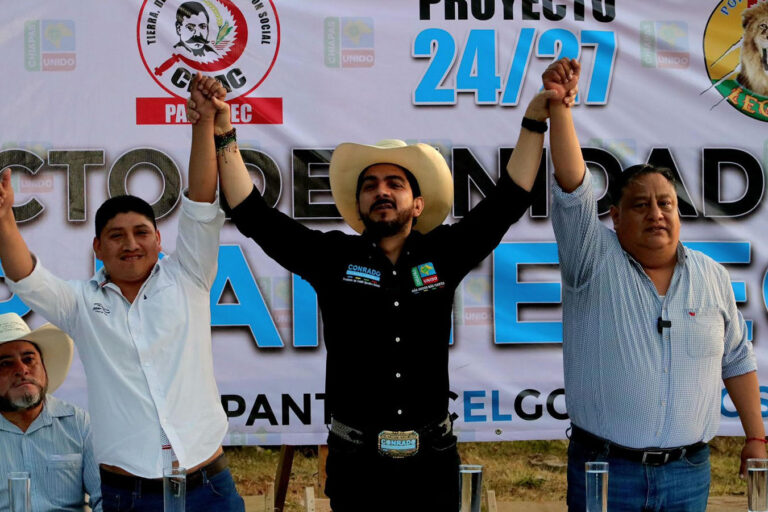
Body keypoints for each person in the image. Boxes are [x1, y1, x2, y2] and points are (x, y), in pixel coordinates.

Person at [186, 77, 573, 511]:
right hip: (357, 467)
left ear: (418, 204)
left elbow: (509, 199)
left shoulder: (445, 253)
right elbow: (251, 213)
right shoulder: (333, 256)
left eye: (395, 183)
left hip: (432, 465)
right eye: (370, 185)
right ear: (360, 205)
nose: (382, 191)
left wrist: (534, 121)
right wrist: (224, 131)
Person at [0, 75, 244, 511]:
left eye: (141, 232)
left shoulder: (189, 274)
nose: (131, 244)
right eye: (116, 236)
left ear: (159, 240)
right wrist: (3, 219)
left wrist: (203, 123)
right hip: (128, 496)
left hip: (208, 488)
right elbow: (26, 277)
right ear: (98, 247)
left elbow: (201, 203)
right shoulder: (80, 304)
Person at [545, 57, 766, 510]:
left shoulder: (712, 275)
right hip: (606, 471)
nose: (656, 213)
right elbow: (572, 187)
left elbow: (736, 359)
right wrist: (559, 108)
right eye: (641, 205)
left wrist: (756, 438)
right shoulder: (591, 258)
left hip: (688, 474)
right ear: (615, 216)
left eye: (666, 203)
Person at [0, 312, 101, 511]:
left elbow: (105, 498)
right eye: (5, 363)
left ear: (44, 368)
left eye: (29, 359)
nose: (22, 369)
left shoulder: (77, 423)